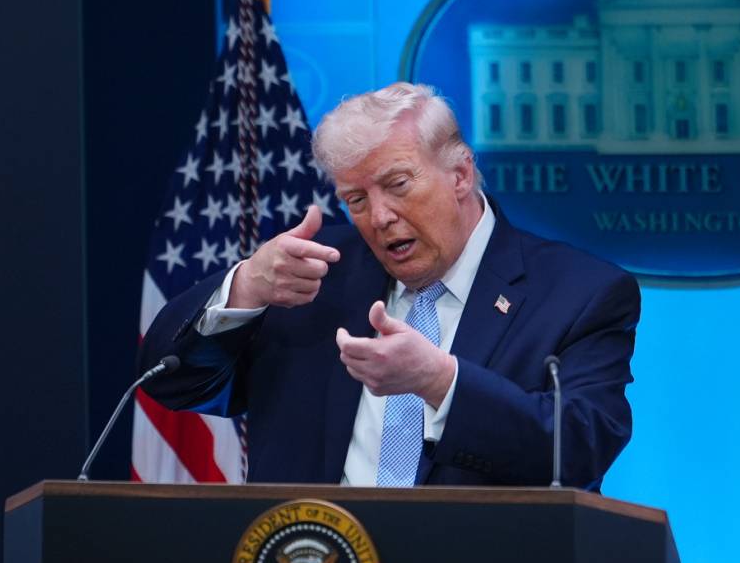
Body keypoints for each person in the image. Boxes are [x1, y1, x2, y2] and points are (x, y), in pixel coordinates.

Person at [139, 82, 640, 489]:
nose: (379, 217)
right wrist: (247, 285)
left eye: (398, 185)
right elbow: (170, 383)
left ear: (461, 174)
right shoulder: (310, 275)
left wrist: (440, 382)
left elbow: (580, 449)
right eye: (356, 200)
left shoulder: (579, 294)